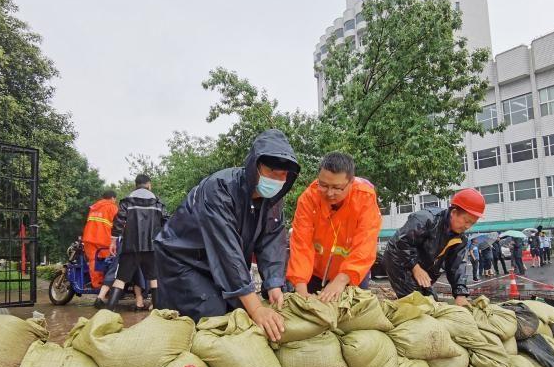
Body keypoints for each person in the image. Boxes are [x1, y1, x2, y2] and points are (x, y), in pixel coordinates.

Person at [154, 129, 300, 341]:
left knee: (238, 312)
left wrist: (274, 284)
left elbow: (272, 243)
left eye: (282, 175)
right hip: (183, 260)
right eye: (271, 171)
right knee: (213, 316)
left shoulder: (274, 201)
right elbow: (227, 252)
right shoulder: (219, 189)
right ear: (255, 166)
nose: (277, 179)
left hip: (220, 267)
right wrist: (257, 309)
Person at [287, 152, 381, 302]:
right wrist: (300, 288)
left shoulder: (365, 198)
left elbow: (365, 245)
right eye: (323, 185)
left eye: (337, 188)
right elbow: (301, 244)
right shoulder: (308, 199)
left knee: (352, 316)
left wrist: (341, 280)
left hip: (352, 272)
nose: (329, 193)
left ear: (351, 183)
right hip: (314, 272)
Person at [382, 188, 486, 307]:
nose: (467, 226)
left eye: (472, 223)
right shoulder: (426, 219)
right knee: (418, 304)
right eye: (466, 221)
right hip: (398, 261)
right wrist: (415, 268)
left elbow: (456, 266)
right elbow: (402, 242)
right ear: (454, 212)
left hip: (422, 268)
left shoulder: (459, 239)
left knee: (433, 302)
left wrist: (460, 294)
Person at [106, 174, 169, 310]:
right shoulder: (158, 203)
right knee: (154, 279)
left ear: (136, 185)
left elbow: (118, 222)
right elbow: (167, 224)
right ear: (149, 184)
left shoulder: (127, 201)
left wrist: (113, 242)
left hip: (130, 247)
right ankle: (157, 313)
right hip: (152, 247)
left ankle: (107, 313)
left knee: (121, 279)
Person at [82, 190, 118, 290]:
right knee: (107, 261)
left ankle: (97, 285)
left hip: (88, 238)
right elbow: (119, 223)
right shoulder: (112, 207)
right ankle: (106, 287)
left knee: (93, 261)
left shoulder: (94, 207)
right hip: (103, 239)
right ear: (112, 198)